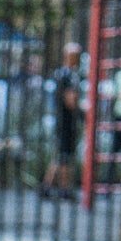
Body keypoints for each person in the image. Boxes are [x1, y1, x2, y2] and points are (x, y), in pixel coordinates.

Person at [42, 45, 83, 200]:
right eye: (76, 55)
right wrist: (82, 113)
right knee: (65, 155)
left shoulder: (61, 74)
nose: (78, 59)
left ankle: (47, 186)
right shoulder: (68, 76)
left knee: (60, 155)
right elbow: (70, 100)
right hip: (66, 121)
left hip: (60, 119)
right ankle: (64, 189)